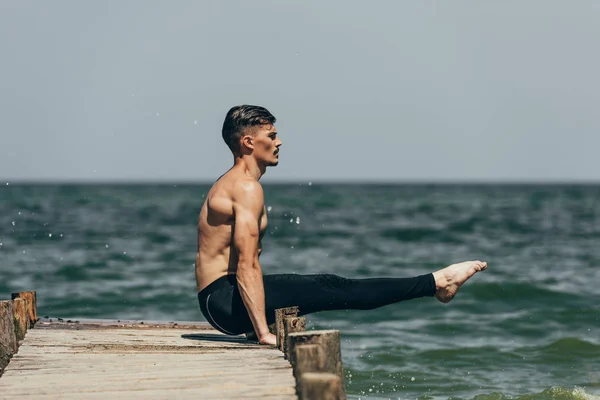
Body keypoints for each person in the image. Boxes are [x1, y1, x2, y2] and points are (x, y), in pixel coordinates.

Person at [196, 105, 487, 346]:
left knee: (321, 286)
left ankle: (434, 284)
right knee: (331, 286)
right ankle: (437, 283)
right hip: (225, 302)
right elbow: (246, 264)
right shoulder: (246, 188)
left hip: (220, 301)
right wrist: (262, 334)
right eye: (271, 136)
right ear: (248, 142)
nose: (279, 142)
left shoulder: (237, 185)